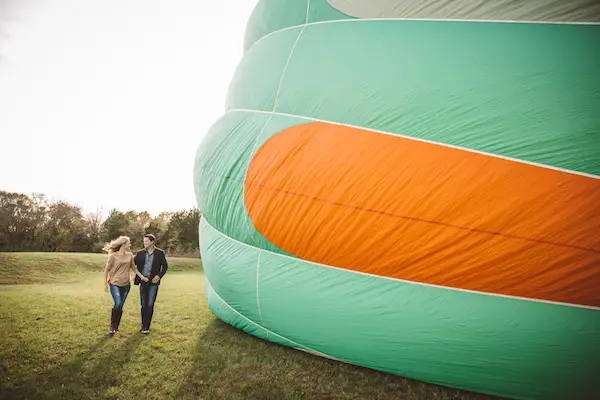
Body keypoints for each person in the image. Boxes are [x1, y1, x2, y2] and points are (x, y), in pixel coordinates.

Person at [103, 235, 148, 336]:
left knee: (120, 305)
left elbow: (134, 268)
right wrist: (105, 283)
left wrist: (142, 277)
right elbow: (106, 270)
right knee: (118, 303)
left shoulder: (130, 255)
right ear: (123, 244)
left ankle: (115, 327)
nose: (130, 244)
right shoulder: (113, 256)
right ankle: (112, 327)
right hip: (115, 284)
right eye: (128, 243)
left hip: (126, 285)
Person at [134, 233, 168, 334]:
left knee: (150, 304)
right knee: (143, 304)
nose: (144, 243)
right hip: (143, 281)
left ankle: (146, 327)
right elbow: (131, 263)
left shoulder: (160, 253)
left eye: (146, 241)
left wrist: (159, 276)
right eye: (144, 241)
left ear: (152, 242)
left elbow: (165, 267)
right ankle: (143, 325)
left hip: (153, 282)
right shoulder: (140, 253)